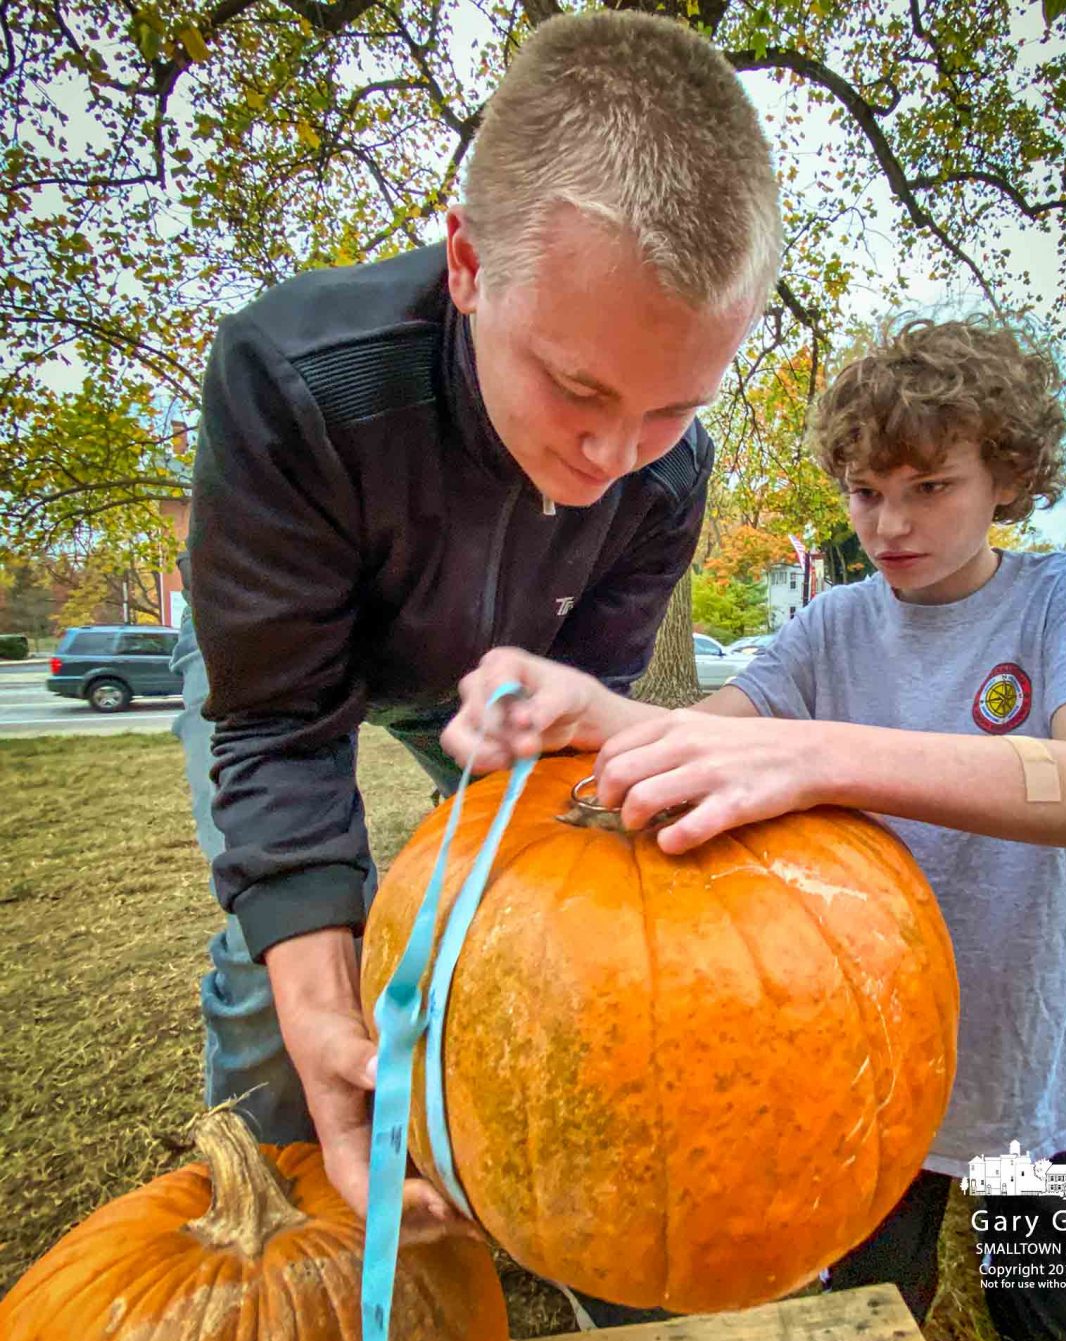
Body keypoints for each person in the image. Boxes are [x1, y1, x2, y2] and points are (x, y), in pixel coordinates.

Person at [443, 315, 1066, 1341]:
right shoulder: (831, 623)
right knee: (878, 1306)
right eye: (863, 491)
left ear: (1008, 476)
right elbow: (699, 738)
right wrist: (583, 708)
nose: (888, 522)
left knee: (1053, 1317)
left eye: (928, 486)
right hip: (873, 1068)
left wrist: (819, 755)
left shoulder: (1063, 597)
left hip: (1037, 1065)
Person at [172, 7, 781, 1247]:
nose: (613, 458)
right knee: (277, 945)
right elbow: (280, 725)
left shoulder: (667, 478)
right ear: (465, 262)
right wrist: (313, 968)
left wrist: (540, 748)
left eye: (672, 405)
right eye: (577, 386)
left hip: (487, 677)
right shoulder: (289, 377)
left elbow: (575, 711)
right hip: (289, 666)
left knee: (509, 909)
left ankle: (512, 1160)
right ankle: (282, 1219)